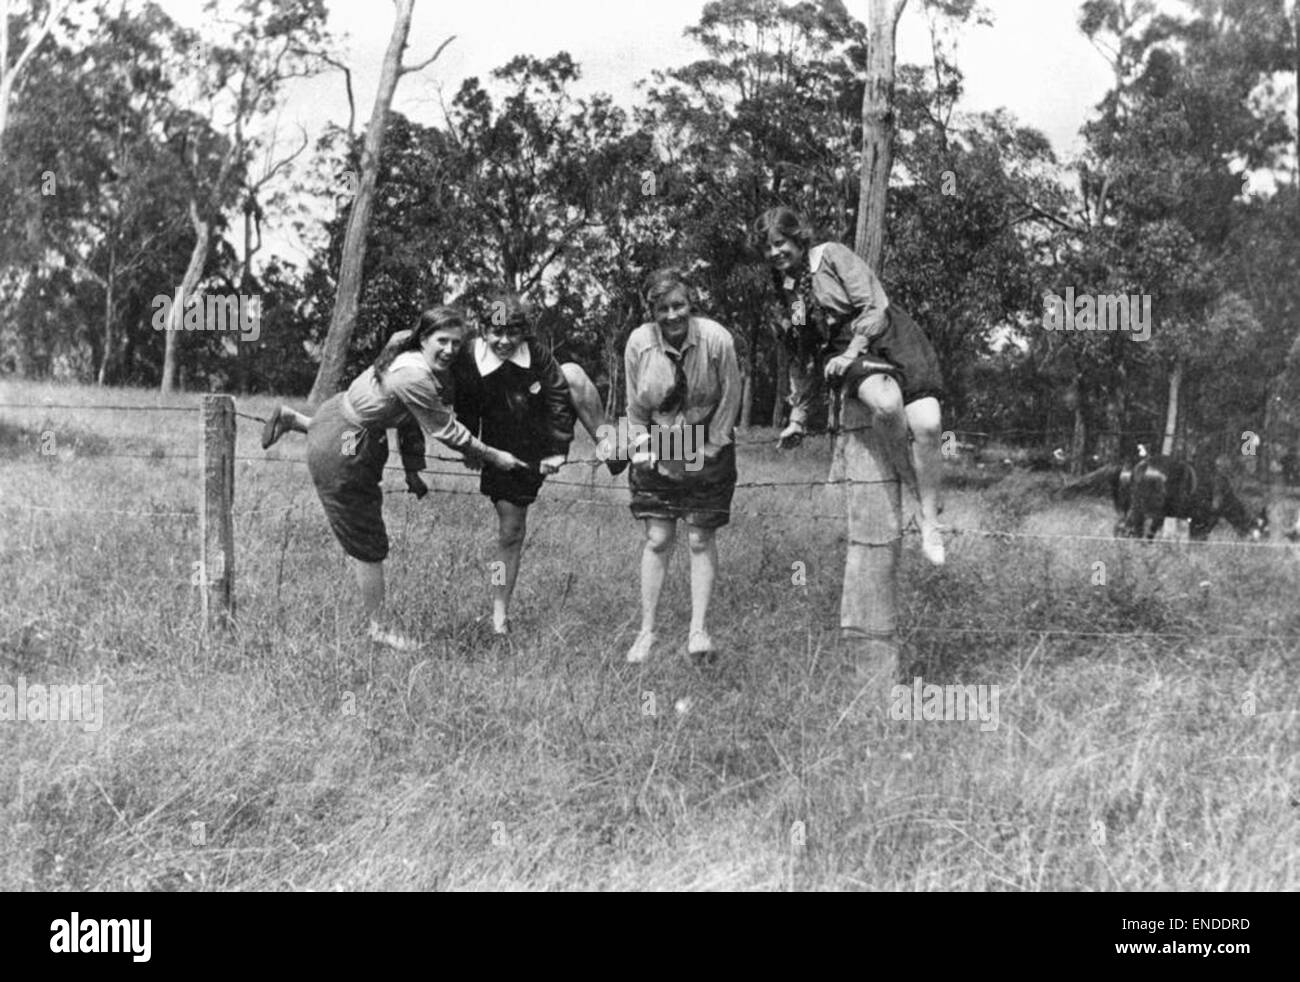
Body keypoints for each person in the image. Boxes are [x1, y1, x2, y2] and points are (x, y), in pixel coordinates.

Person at [259, 306, 528, 650]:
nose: (449, 350)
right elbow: (445, 430)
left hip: (337, 415)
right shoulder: (413, 376)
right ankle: (378, 628)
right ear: (424, 337)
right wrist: (492, 455)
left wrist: (413, 470)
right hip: (343, 446)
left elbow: (405, 418)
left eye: (456, 343)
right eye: (442, 341)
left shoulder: (406, 346)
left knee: (361, 505)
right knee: (367, 542)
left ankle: (296, 420)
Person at [755, 206, 947, 565]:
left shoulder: (832, 255)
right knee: (887, 405)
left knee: (929, 424)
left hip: (887, 333)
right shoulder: (792, 291)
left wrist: (853, 351)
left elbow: (872, 304)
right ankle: (927, 518)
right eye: (768, 248)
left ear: (797, 237)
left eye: (779, 243)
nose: (775, 253)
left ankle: (927, 513)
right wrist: (798, 416)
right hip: (844, 348)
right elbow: (802, 350)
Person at [623, 267, 741, 664]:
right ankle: (646, 632)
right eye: (662, 308)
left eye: (679, 305)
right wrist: (650, 452)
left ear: (691, 305)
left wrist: (701, 452)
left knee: (699, 538)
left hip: (708, 440)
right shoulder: (639, 343)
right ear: (650, 310)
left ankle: (698, 631)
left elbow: (729, 401)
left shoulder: (717, 340)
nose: (672, 315)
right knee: (658, 538)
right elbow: (635, 408)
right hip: (659, 440)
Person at [450, 292, 578, 637]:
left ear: (525, 333)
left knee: (575, 375)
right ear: (482, 329)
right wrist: (471, 449)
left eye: (513, 333)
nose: (504, 341)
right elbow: (464, 406)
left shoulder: (536, 353)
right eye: (497, 333)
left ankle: (613, 450)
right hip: (499, 448)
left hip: (538, 442)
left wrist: (559, 448)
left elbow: (558, 397)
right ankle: (499, 611)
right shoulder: (468, 356)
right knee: (510, 533)